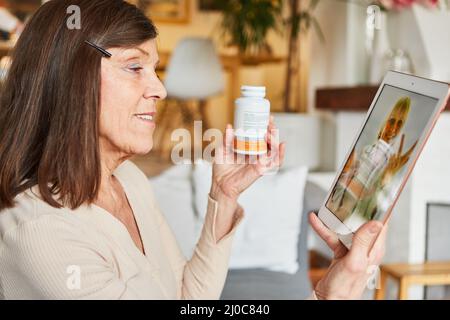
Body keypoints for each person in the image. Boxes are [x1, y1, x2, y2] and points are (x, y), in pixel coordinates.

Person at [0, 0, 386, 300]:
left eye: (155, 70)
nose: (160, 90)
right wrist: (331, 293)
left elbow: (187, 296)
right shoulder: (42, 231)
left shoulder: (129, 181)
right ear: (71, 77)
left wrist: (223, 195)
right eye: (135, 68)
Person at [328, 97, 417, 224]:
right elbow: (353, 173)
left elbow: (375, 197)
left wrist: (387, 177)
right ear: (386, 121)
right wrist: (349, 171)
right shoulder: (370, 148)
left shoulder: (390, 159)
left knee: (336, 218)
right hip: (343, 192)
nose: (394, 128)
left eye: (399, 124)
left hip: (354, 202)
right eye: (392, 121)